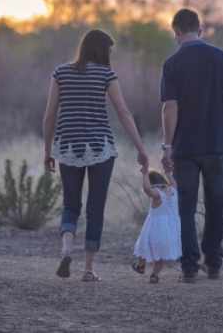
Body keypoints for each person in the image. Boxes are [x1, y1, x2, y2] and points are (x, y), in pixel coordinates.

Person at [43, 29, 149, 282]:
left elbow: (49, 116)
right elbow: (124, 114)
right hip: (100, 148)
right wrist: (140, 147)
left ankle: (67, 248)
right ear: (101, 50)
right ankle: (88, 269)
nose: (110, 55)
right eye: (109, 51)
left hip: (68, 146)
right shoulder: (106, 75)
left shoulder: (60, 73)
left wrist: (48, 151)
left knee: (70, 205)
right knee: (95, 209)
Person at [159, 8, 223, 283]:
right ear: (200, 30)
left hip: (185, 149)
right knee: (217, 204)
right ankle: (214, 263)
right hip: (217, 145)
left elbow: (169, 108)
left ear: (175, 32)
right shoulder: (221, 57)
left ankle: (189, 268)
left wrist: (167, 146)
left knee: (186, 206)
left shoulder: (172, 63)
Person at [131, 167, 181, 284]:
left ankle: (140, 265)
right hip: (169, 231)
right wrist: (168, 174)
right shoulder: (174, 191)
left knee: (144, 246)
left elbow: (147, 189)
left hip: (154, 229)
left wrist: (144, 174)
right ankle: (154, 275)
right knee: (160, 255)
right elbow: (173, 183)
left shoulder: (157, 194)